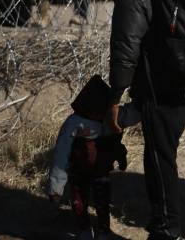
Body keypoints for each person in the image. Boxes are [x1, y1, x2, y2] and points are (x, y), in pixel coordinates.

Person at [88, 0, 185, 240]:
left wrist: (115, 98)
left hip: (157, 94)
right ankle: (164, 224)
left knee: (159, 161)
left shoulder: (131, 0)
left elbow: (125, 55)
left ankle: (166, 229)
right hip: (170, 89)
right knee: (161, 157)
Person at [48, 75, 139, 240]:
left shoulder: (108, 119)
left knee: (103, 203)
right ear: (92, 110)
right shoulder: (73, 124)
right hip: (78, 171)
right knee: (78, 202)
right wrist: (56, 187)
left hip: (101, 171)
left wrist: (121, 157)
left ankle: (103, 231)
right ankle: (84, 230)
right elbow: (61, 155)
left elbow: (115, 142)